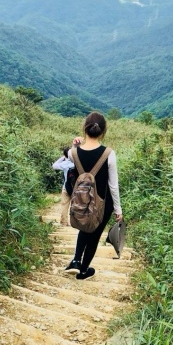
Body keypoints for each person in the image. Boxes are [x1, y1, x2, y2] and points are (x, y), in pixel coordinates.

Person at [64, 111, 123, 280]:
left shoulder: (73, 153)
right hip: (103, 203)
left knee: (84, 228)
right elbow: (113, 185)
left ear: (85, 128)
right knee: (94, 235)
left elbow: (69, 154)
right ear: (103, 131)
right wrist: (118, 209)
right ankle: (83, 270)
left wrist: (75, 144)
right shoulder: (109, 154)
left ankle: (76, 260)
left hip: (82, 200)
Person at [52, 146, 74, 226]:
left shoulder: (64, 164)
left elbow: (54, 165)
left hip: (66, 187)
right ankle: (75, 222)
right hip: (77, 188)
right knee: (76, 206)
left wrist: (63, 157)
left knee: (64, 205)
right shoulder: (76, 163)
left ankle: (64, 222)